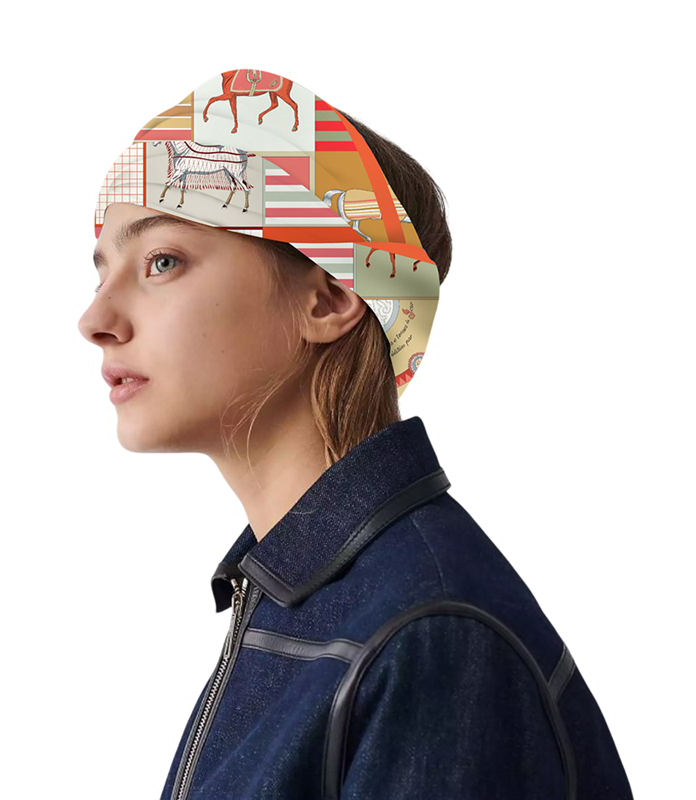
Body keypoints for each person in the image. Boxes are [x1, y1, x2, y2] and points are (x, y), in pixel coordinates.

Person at [78, 69, 634, 800]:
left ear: (331, 296)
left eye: (162, 262)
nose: (95, 320)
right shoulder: (310, 599)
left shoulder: (426, 635)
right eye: (100, 272)